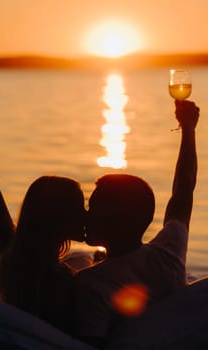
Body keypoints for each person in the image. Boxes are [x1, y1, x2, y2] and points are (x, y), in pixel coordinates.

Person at [0, 90, 86, 333]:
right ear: (58, 219)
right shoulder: (65, 283)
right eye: (78, 207)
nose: (85, 213)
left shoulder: (13, 257)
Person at [74, 100, 200, 347]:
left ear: (113, 220)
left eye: (94, 208)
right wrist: (188, 129)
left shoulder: (91, 285)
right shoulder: (168, 255)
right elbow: (184, 189)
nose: (85, 214)